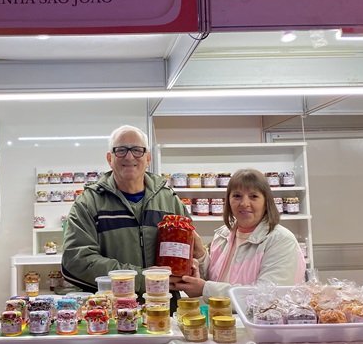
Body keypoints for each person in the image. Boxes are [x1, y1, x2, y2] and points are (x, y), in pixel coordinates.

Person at [61, 125, 203, 296]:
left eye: (137, 150)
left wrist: (190, 265)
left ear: (148, 158)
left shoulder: (169, 201)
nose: (129, 156)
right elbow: (77, 261)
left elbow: (186, 250)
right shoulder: (88, 203)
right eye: (121, 150)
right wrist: (145, 279)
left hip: (162, 310)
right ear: (109, 158)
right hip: (112, 313)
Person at [172, 168, 306, 300]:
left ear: (266, 202)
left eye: (254, 196)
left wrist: (205, 289)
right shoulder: (223, 234)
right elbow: (215, 278)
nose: (244, 203)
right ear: (228, 201)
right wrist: (200, 255)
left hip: (257, 321)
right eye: (237, 196)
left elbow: (267, 297)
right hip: (222, 318)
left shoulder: (281, 240)